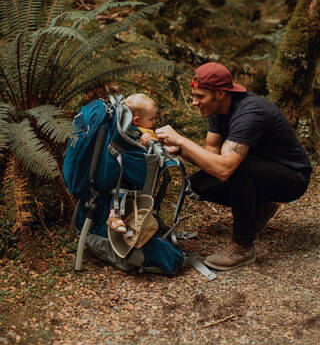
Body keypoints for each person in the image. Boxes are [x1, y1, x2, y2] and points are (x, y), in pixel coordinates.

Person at [155, 62, 312, 271]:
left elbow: (224, 168)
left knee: (238, 168)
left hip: (292, 178)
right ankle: (260, 205)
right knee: (198, 184)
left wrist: (181, 140)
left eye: (200, 96)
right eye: (194, 95)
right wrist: (179, 150)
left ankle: (243, 247)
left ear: (220, 93)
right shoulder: (217, 110)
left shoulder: (250, 113)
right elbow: (211, 157)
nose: (194, 102)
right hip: (261, 170)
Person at [107, 93, 177, 232]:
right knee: (120, 190)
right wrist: (142, 143)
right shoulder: (137, 133)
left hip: (129, 170)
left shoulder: (132, 129)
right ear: (137, 121)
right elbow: (133, 147)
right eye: (152, 119)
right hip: (127, 171)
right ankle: (113, 216)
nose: (154, 121)